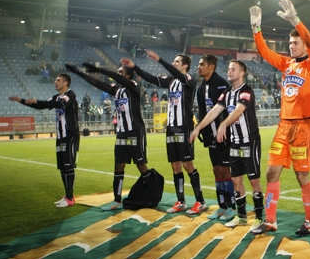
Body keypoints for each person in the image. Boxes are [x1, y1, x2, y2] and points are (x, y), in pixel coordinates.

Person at [248, 0, 310, 236]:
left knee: (302, 175)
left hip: (303, 127)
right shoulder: (286, 64)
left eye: (295, 42)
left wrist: (294, 19)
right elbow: (264, 51)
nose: (291, 46)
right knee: (271, 171)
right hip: (283, 126)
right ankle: (270, 221)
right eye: (290, 43)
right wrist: (256, 28)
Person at [121, 52, 207, 215]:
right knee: (175, 165)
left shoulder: (188, 80)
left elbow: (176, 74)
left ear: (185, 66)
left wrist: (160, 59)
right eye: (173, 61)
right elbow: (151, 78)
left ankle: (200, 201)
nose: (174, 63)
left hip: (184, 127)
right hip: (171, 128)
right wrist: (135, 67)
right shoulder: (172, 82)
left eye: (177, 61)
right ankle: (181, 201)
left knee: (187, 165)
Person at [66, 62, 153, 211]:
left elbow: (115, 78)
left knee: (141, 165)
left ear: (127, 75)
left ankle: (152, 191)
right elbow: (98, 83)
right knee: (118, 165)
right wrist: (80, 73)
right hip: (121, 132)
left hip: (135, 131)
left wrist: (100, 69)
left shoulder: (133, 86)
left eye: (120, 72)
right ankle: (117, 200)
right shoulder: (117, 90)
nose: (118, 75)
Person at [190, 60, 264, 228]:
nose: (229, 71)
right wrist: (198, 128)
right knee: (236, 181)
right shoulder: (227, 93)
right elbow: (214, 111)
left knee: (254, 181)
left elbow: (238, 110)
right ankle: (242, 216)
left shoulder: (246, 91)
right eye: (229, 69)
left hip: (249, 141)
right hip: (235, 143)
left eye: (233, 69)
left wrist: (224, 124)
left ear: (242, 73)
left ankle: (260, 217)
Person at [9, 74, 80, 207]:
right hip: (60, 136)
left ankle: (70, 198)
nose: (55, 82)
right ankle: (67, 196)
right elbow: (41, 105)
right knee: (62, 168)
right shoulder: (56, 97)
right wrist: (22, 100)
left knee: (68, 166)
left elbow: (60, 103)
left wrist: (39, 101)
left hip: (70, 135)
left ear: (65, 83)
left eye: (58, 80)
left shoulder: (70, 95)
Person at [194, 54, 237, 221]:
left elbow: (229, 109)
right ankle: (222, 206)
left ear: (211, 67)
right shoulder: (200, 88)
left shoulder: (221, 85)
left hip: (224, 135)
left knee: (226, 170)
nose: (199, 67)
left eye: (202, 64)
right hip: (211, 136)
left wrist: (225, 128)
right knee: (216, 170)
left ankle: (232, 206)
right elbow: (203, 112)